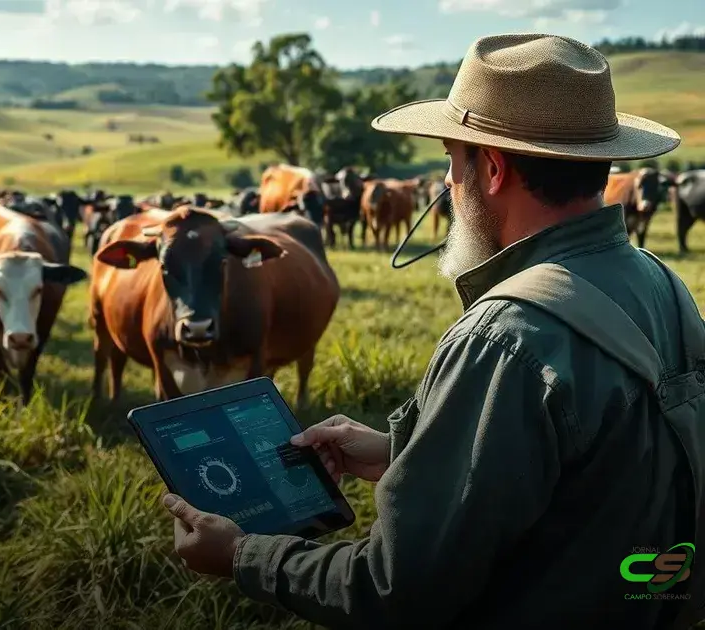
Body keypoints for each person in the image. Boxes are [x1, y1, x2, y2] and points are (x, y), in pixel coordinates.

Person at [161, 33, 705, 629]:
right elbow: (599, 469)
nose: (448, 182)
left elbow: (395, 591)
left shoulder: (504, 336)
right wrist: (407, 452)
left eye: (452, 158)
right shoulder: (662, 283)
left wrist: (243, 554)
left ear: (492, 169)